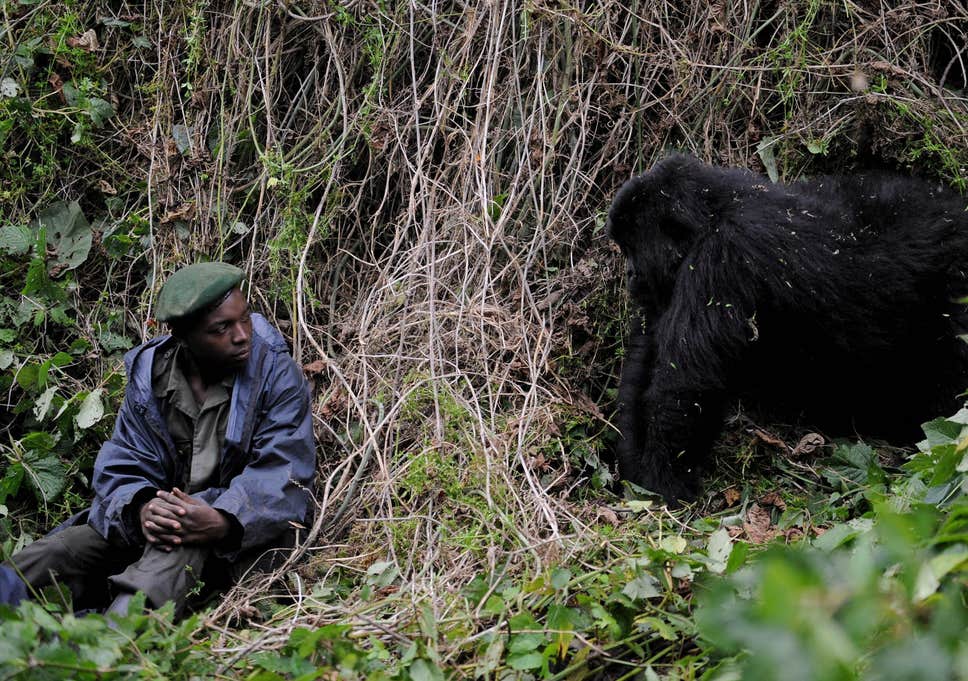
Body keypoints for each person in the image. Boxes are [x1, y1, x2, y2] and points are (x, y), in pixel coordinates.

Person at [3, 262, 316, 615]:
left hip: (238, 537)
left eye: (245, 318)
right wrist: (142, 508)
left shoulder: (275, 374)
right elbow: (124, 461)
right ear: (183, 337)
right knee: (56, 552)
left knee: (170, 558)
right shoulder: (151, 379)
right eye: (222, 328)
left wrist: (223, 519)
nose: (243, 334)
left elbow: (284, 471)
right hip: (155, 527)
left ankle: (110, 651)